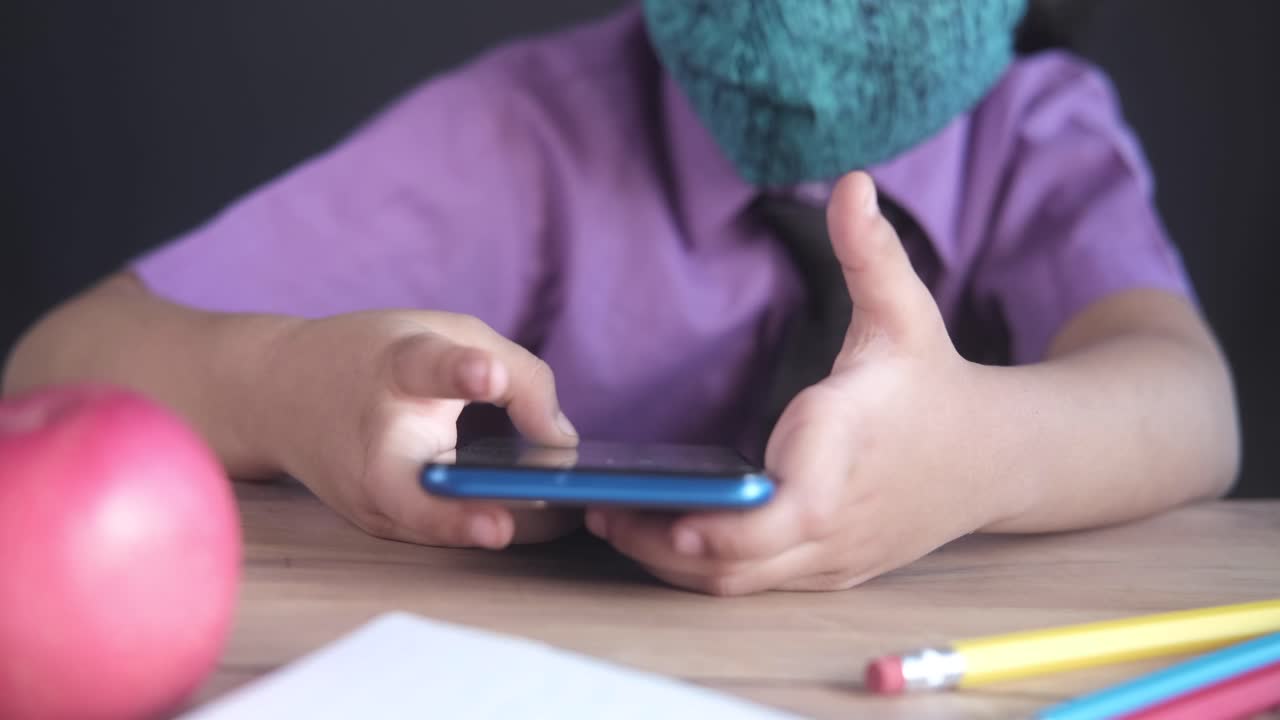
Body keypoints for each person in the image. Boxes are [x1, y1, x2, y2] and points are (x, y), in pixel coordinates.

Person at [1, 1, 1239, 596]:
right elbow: (62, 360)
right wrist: (288, 389)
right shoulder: (532, 126)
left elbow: (1190, 404)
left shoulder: (1038, 132)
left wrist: (977, 454)